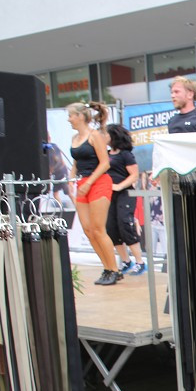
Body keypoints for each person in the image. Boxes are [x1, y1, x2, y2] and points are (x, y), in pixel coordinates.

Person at [67, 101, 122, 286]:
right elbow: (76, 162)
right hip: (82, 183)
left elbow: (105, 163)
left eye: (71, 115)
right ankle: (106, 267)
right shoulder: (75, 138)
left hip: (98, 181)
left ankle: (114, 269)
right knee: (88, 230)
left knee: (99, 229)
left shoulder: (95, 135)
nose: (69, 119)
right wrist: (71, 180)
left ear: (80, 116)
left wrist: (89, 182)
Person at [104, 124, 146, 276]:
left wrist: (118, 186)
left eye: (106, 134)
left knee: (125, 224)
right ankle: (125, 261)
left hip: (125, 194)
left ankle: (140, 262)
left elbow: (134, 175)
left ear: (113, 136)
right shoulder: (106, 154)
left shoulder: (125, 154)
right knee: (111, 228)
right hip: (109, 195)